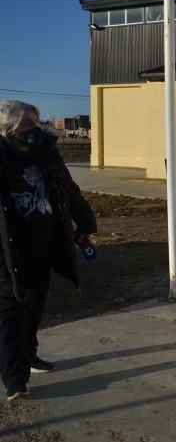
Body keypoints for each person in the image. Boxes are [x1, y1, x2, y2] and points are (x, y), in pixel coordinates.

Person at [0, 100, 97, 401]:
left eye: (37, 121)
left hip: (43, 243)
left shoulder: (46, 152)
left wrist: (86, 222)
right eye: (28, 124)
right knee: (11, 309)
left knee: (34, 303)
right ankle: (15, 378)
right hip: (7, 248)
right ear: (9, 129)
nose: (36, 128)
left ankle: (29, 354)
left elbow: (67, 188)